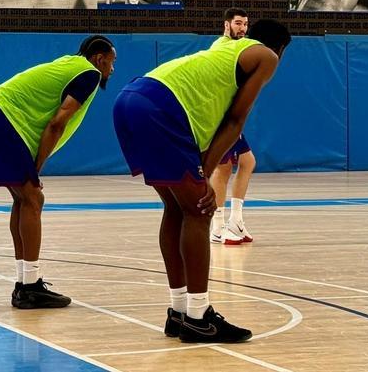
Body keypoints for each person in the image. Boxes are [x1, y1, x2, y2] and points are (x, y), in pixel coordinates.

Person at [113, 18, 290, 344]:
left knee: (177, 209)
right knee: (199, 210)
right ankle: (198, 316)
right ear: (279, 48)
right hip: (160, 108)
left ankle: (179, 311)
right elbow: (235, 120)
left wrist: (202, 168)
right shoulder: (267, 57)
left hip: (131, 98)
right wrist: (204, 173)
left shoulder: (226, 47)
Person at [0, 36, 117, 308]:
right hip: (1, 120)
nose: (112, 69)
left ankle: (24, 282)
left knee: (24, 199)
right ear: (99, 59)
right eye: (111, 62)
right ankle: (29, 286)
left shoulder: (70, 65)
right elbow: (56, 124)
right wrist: (36, 169)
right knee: (33, 198)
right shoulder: (89, 74)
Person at [208, 9, 257, 246]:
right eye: (238, 23)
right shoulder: (221, 47)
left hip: (230, 115)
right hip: (219, 116)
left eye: (246, 24)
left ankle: (235, 219)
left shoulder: (240, 47)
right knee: (223, 168)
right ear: (226, 24)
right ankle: (217, 226)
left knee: (247, 162)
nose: (243, 28)